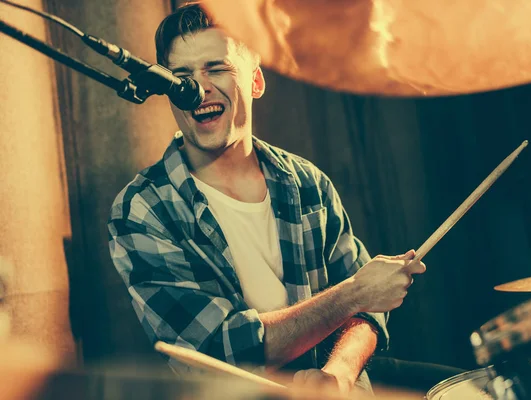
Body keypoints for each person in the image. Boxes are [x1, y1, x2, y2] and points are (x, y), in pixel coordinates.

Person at [107, 3, 425, 395]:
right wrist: (352, 293)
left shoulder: (308, 183)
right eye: (182, 76)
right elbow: (219, 352)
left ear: (255, 82)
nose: (198, 89)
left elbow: (367, 310)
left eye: (216, 68)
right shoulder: (143, 210)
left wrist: (339, 374)